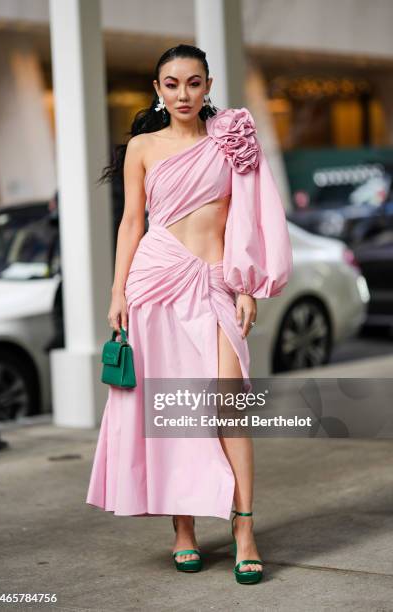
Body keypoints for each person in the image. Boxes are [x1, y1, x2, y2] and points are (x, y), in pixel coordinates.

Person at [86, 44, 293, 585]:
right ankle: (183, 530)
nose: (183, 93)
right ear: (158, 89)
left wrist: (246, 285)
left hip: (215, 281)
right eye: (172, 84)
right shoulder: (142, 147)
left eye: (193, 83)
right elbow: (132, 222)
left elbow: (244, 217)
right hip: (154, 280)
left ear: (208, 85)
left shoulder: (232, 139)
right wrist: (117, 292)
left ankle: (244, 526)